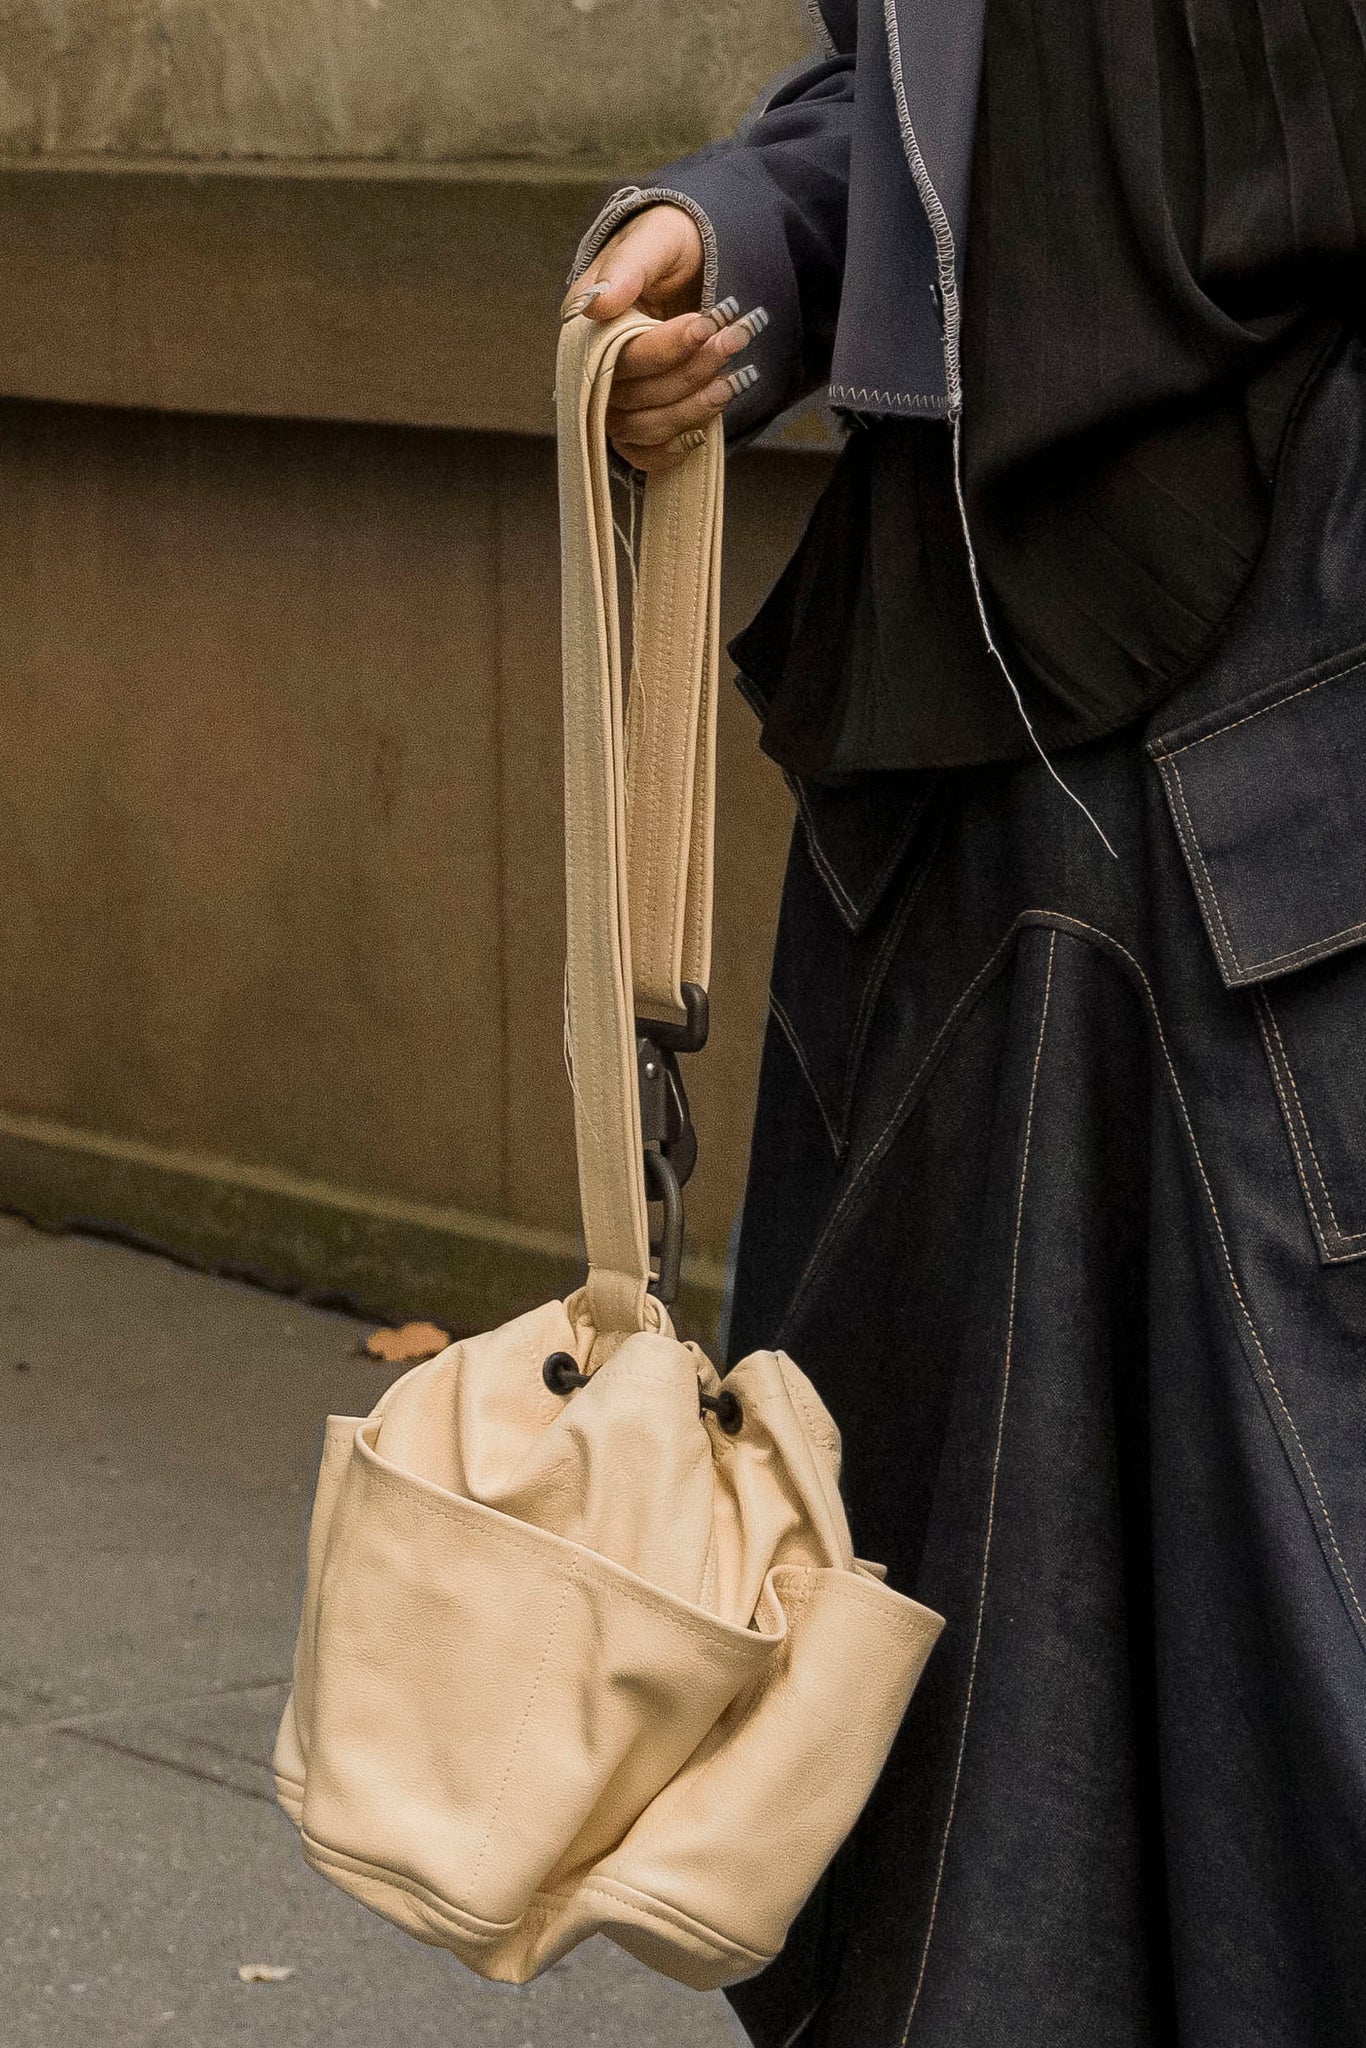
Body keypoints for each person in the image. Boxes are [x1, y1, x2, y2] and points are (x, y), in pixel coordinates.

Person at [561, 4, 1366, 2044]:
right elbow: (930, 97)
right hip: (965, 781)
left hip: (1284, 747)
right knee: (934, 1697)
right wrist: (729, 240)